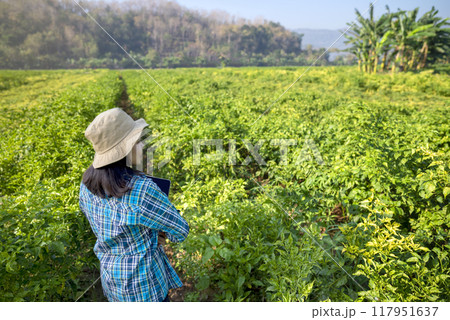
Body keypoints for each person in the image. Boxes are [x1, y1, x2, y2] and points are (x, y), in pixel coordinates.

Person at [79, 108, 189, 302]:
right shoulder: (142, 190)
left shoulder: (86, 184)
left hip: (113, 282)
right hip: (146, 288)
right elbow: (180, 231)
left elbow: (104, 226)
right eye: (137, 140)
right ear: (125, 150)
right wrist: (157, 233)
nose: (142, 144)